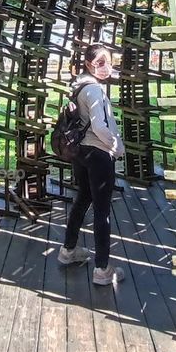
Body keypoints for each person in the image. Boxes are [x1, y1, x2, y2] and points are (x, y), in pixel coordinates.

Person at [58, 43, 125, 285]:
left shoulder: (77, 86)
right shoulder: (94, 90)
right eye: (100, 63)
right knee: (102, 210)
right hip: (98, 154)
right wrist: (116, 146)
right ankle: (102, 269)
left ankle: (68, 250)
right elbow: (99, 126)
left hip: (81, 152)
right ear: (88, 64)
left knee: (83, 199)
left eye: (109, 62)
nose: (107, 67)